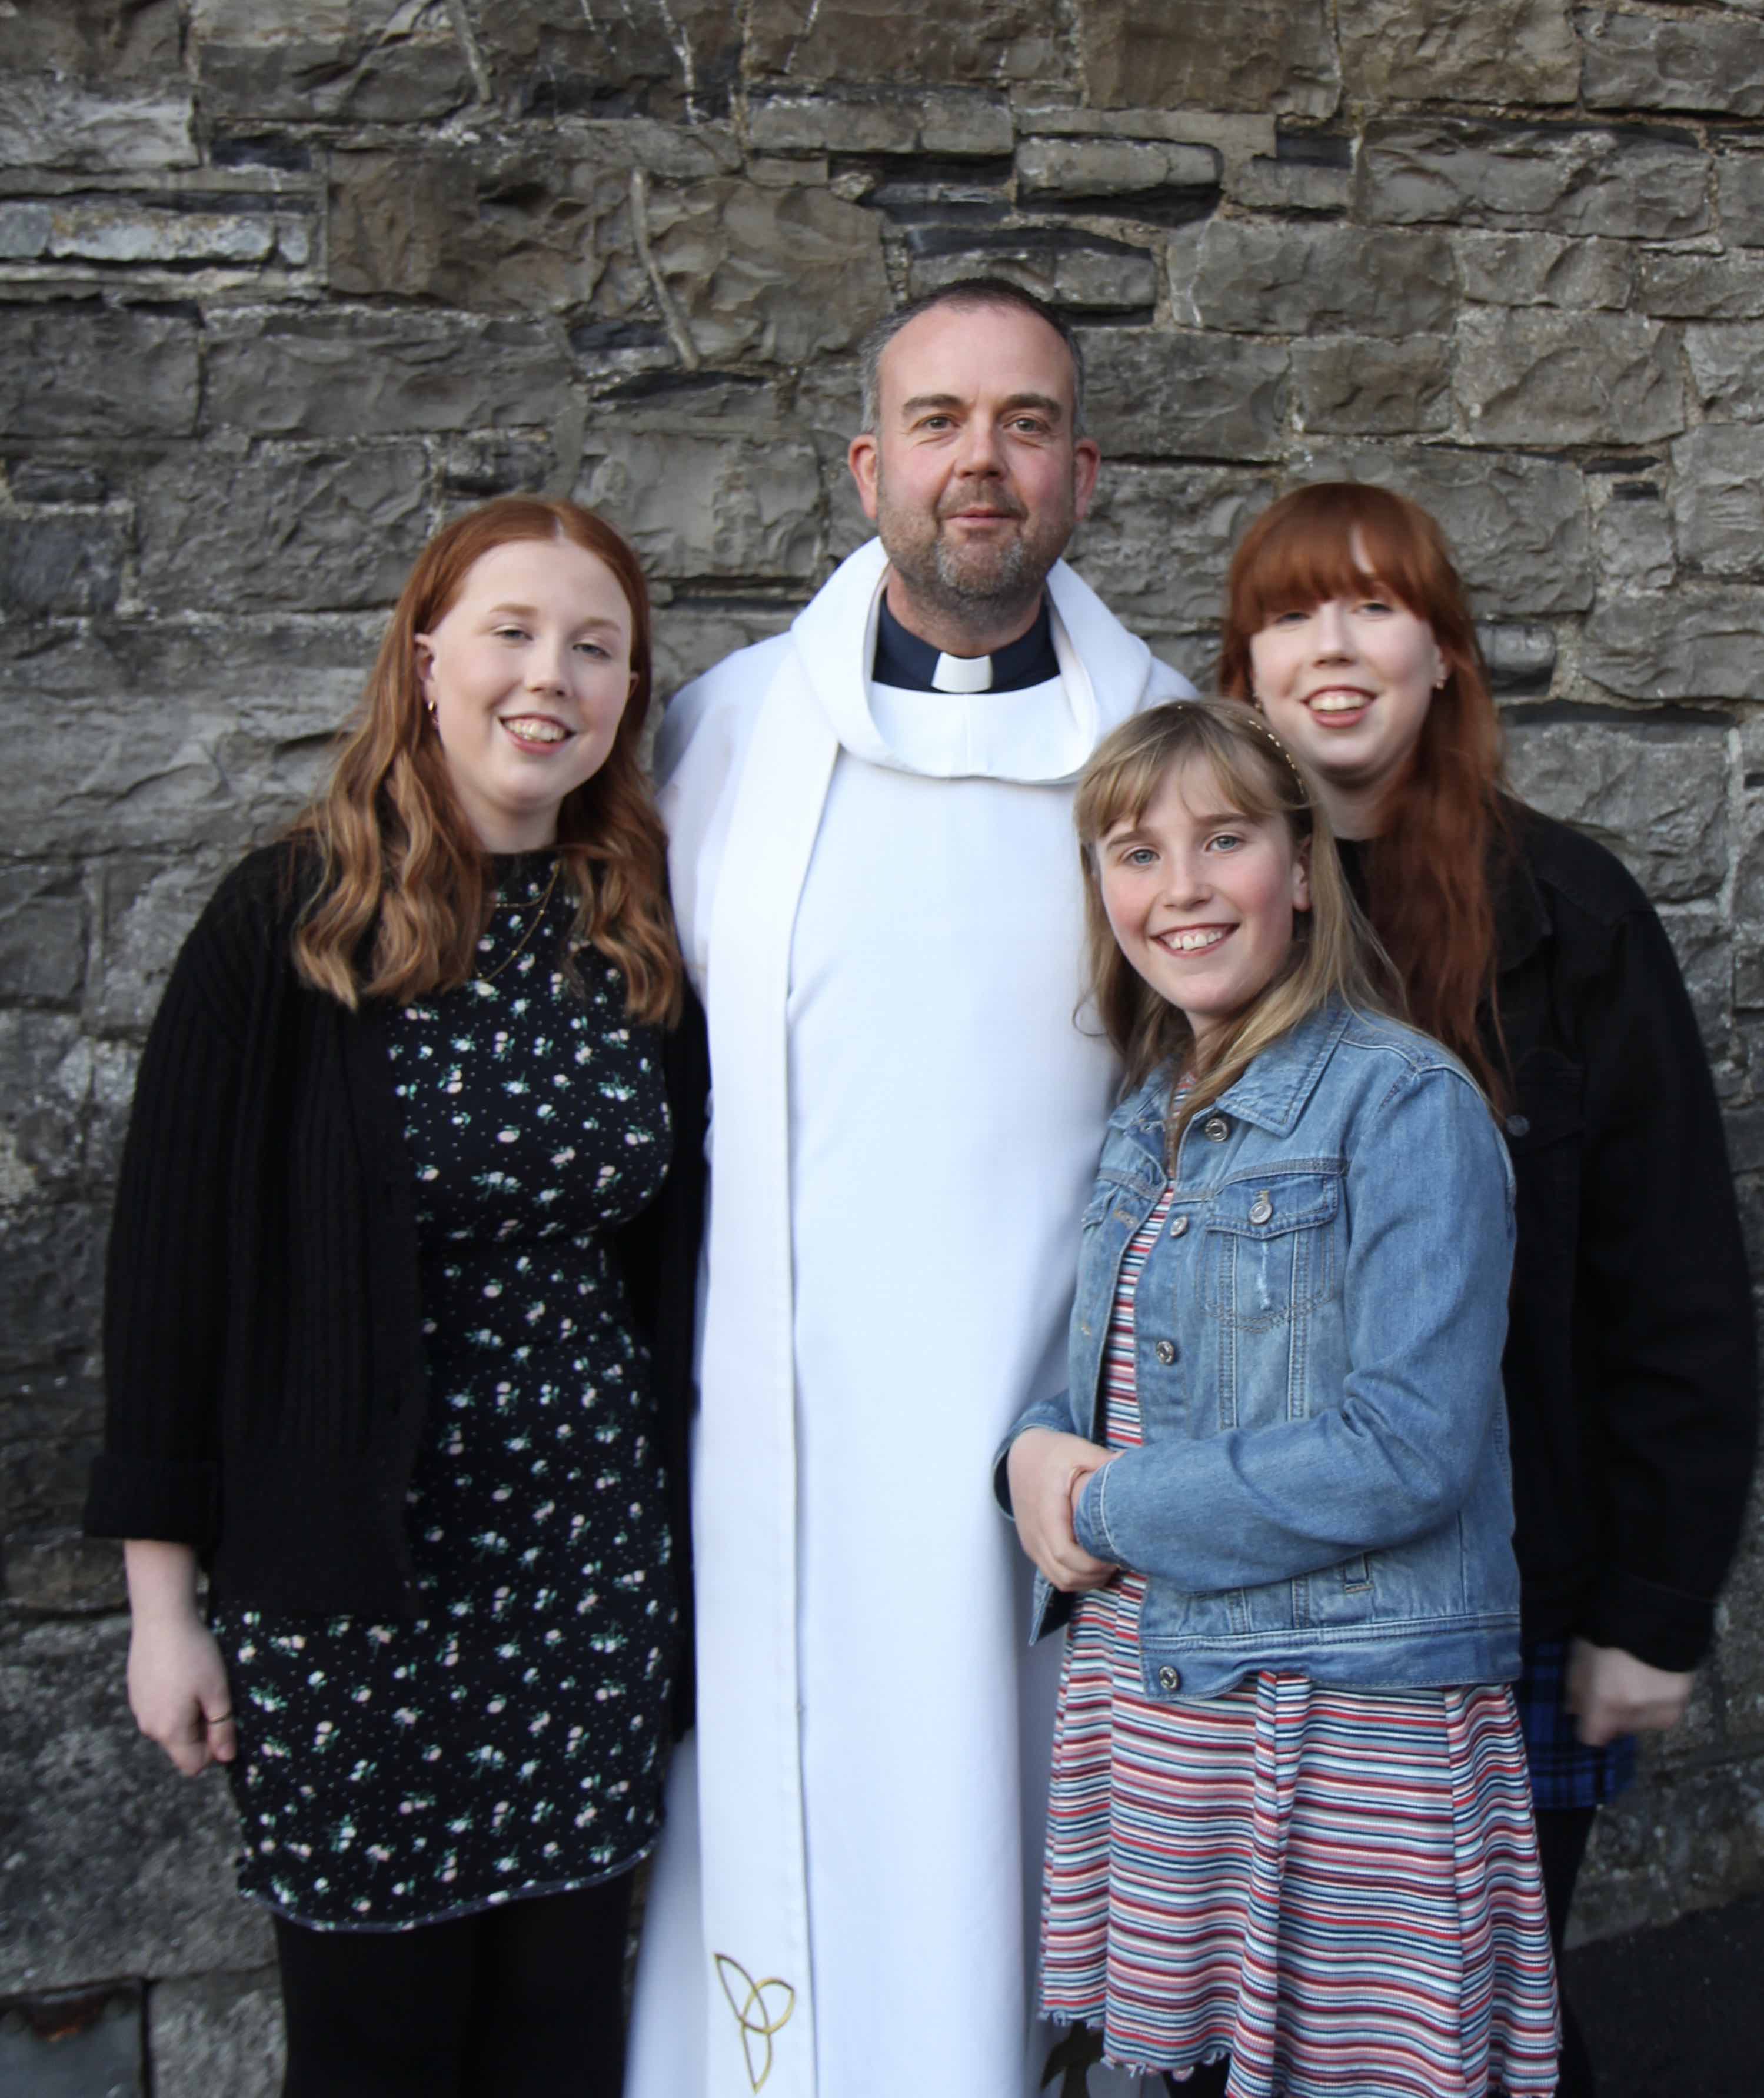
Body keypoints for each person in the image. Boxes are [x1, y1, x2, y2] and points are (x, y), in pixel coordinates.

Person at [625, 280, 1191, 2098]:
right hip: (770, 1441)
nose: (981, 463)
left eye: (1022, 424)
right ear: (868, 463)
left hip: (1043, 1451)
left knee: (1000, 1854)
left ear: (1079, 472)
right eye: (939, 422)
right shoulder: (720, 742)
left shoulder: (1171, 756)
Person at [85, 496, 707, 2098]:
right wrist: (166, 1612)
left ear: (628, 693)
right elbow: (170, 1289)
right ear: (424, 656)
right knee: (373, 2053)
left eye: (593, 647)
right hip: (352, 1604)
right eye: (510, 632)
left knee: (562, 2041)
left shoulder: (634, 940)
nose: (547, 676)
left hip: (589, 1588)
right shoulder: (289, 926)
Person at [1220, 480, 1758, 2096]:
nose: (1333, 643)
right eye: (1290, 611)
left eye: (1376, 606)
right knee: (1260, 2033)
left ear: (1443, 657)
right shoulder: (1190, 913)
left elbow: (1676, 1292)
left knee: (1477, 2037)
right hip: (1247, 1600)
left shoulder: (1564, 919)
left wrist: (1648, 1617)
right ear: (1238, 667)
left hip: (1506, 1606)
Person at [1004, 696, 1560, 2097]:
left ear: (1300, 869)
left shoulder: (1400, 1102)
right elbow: (1103, 1377)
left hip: (1338, 1720)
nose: (1177, 889)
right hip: (1157, 1707)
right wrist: (1025, 1457)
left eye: (1223, 840)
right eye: (1132, 853)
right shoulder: (1146, 1111)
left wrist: (1108, 1500)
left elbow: (1405, 1447)